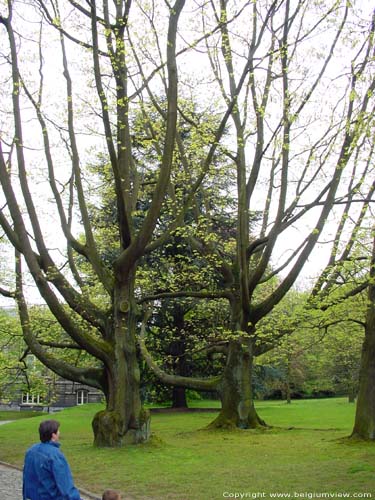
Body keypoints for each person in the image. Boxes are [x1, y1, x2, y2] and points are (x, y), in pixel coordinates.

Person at [23, 419, 82, 500]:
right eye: (58, 431)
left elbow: (26, 479)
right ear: (53, 435)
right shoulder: (55, 456)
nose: (59, 433)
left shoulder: (30, 451)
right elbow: (65, 486)